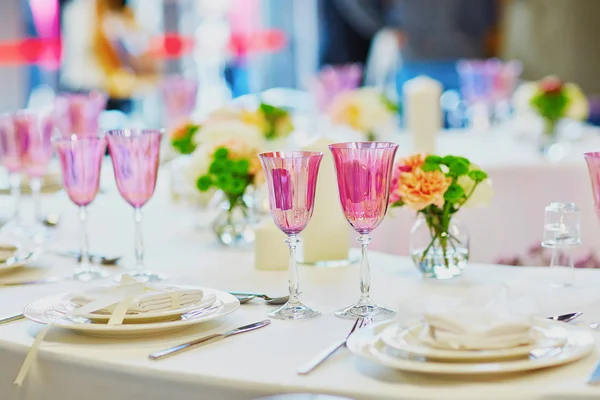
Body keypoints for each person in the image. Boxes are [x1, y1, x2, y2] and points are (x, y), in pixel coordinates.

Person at [60, 0, 159, 112]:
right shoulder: (81, 10)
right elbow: (101, 51)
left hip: (112, 96)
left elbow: (141, 59)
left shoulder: (119, 12)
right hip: (85, 93)